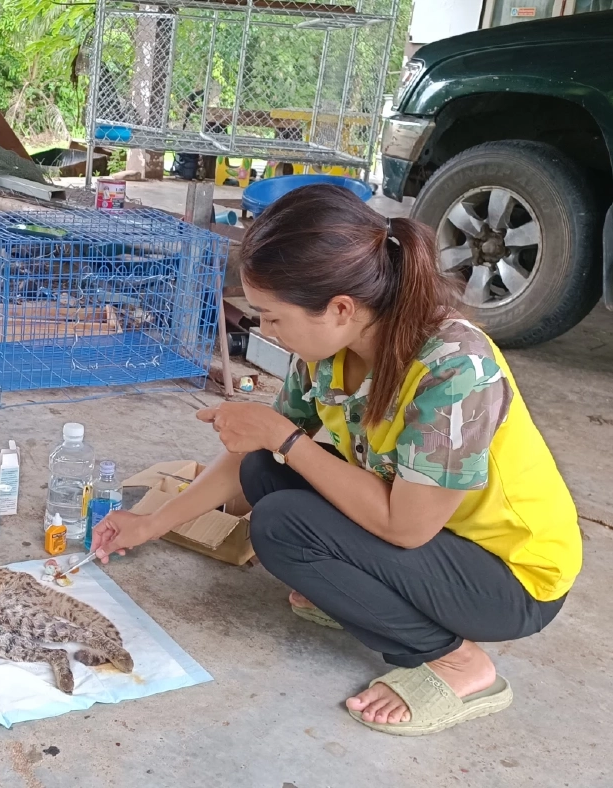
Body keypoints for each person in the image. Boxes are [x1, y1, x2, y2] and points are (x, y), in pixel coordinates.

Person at [93, 185, 581, 736]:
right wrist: (151, 524)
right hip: (432, 543)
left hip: (507, 577)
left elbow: (408, 527)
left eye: (273, 318)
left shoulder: (455, 369)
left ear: (341, 308)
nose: (263, 331)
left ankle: (458, 662)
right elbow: (258, 454)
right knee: (262, 474)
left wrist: (284, 437)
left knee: (282, 525)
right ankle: (357, 595)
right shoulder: (328, 352)